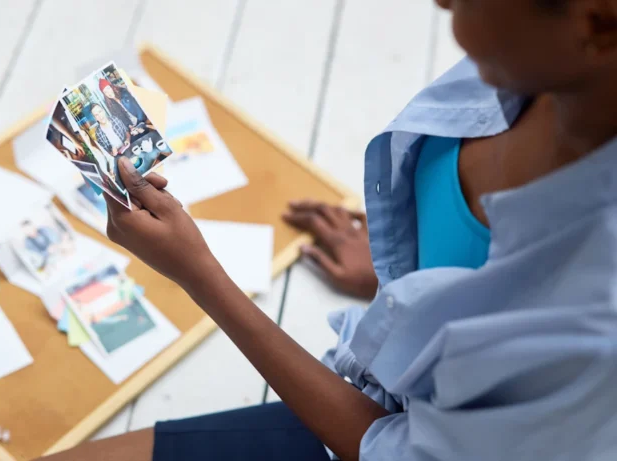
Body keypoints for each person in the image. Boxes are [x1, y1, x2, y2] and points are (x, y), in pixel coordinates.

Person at [37, 1, 617, 460]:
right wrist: (418, 275)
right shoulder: (538, 60)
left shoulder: (593, 318)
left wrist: (199, 274)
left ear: (595, 23)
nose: (440, 2)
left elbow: (392, 449)